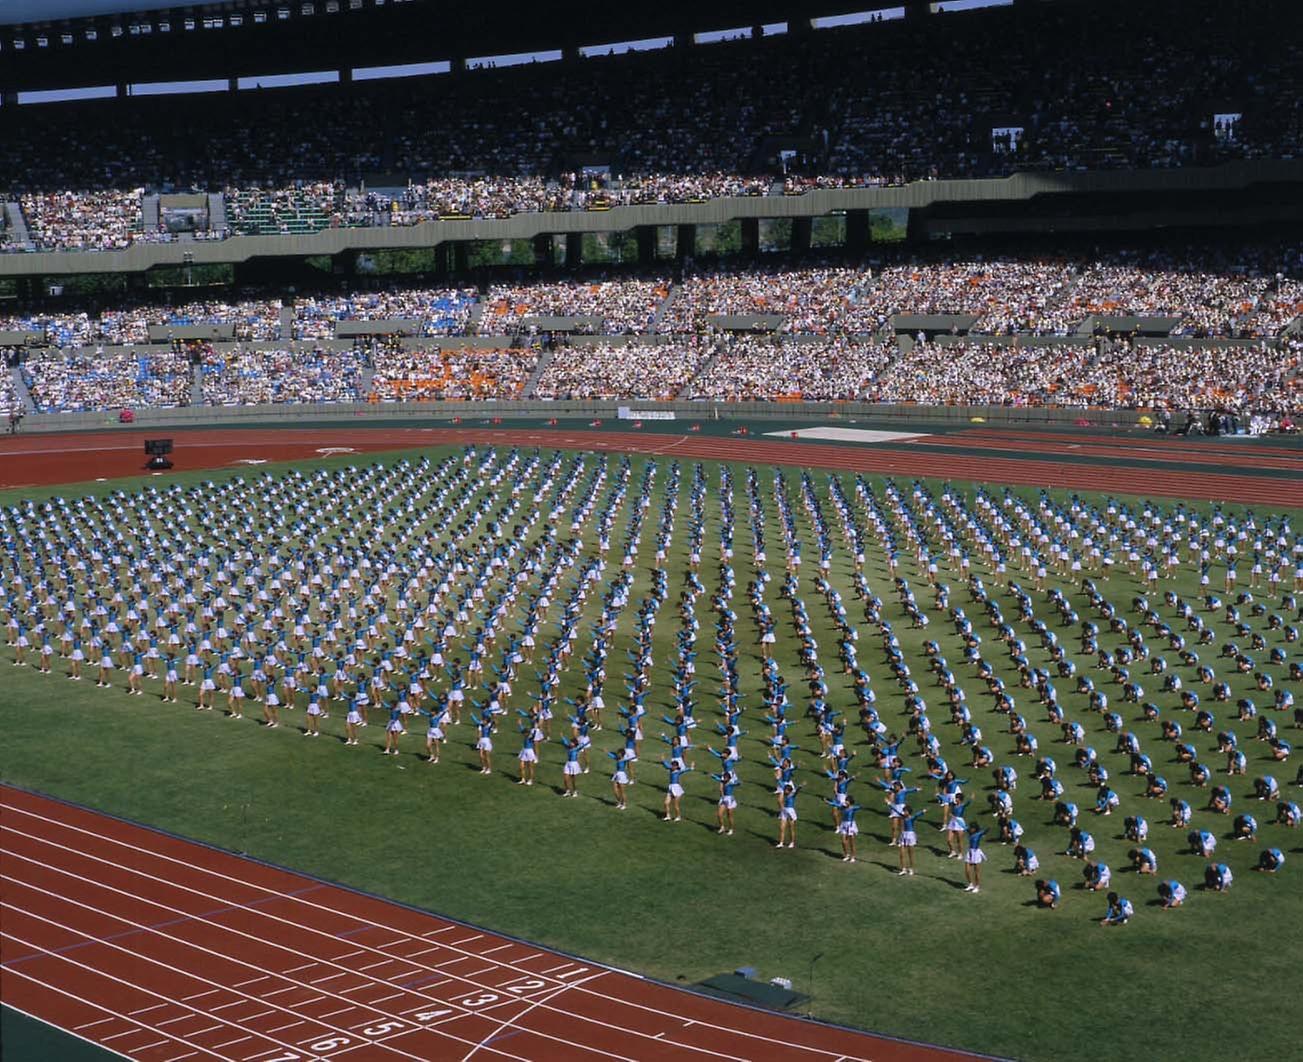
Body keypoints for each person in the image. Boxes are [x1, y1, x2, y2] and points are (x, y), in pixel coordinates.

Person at [662, 757, 693, 821]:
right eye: (672, 765)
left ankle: (678, 817)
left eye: (674, 766)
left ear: (676, 766)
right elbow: (666, 765)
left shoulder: (678, 771)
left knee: (676, 805)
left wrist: (691, 767)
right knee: (666, 803)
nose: (672, 767)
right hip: (670, 787)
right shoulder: (670, 769)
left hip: (676, 788)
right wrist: (663, 760)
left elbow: (685, 770)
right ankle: (668, 816)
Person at [896, 805, 924, 874]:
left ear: (909, 812)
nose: (904, 812)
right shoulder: (903, 817)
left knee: (910, 854)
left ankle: (911, 868)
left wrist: (922, 812)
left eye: (905, 811)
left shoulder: (912, 818)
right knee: (901, 854)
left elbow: (917, 815)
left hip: (910, 835)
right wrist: (889, 804)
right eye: (904, 811)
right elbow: (896, 811)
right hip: (903, 835)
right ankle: (903, 869)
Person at [963, 822, 988, 893]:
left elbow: (986, 830)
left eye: (972, 828)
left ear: (975, 829)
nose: (971, 829)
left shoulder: (979, 834)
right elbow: (963, 825)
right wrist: (954, 818)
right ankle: (971, 884)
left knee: (976, 871)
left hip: (976, 853)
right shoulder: (969, 832)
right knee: (967, 870)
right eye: (970, 828)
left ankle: (977, 886)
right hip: (969, 852)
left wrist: (985, 832)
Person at [714, 766, 739, 834]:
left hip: (730, 799)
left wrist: (736, 781)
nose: (724, 779)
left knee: (729, 815)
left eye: (726, 778)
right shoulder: (722, 782)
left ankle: (731, 829)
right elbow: (716, 778)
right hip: (724, 799)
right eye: (724, 777)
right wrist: (712, 775)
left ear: (729, 778)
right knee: (719, 814)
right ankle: (722, 827)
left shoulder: (731, 783)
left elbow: (738, 783)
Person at [776, 781, 801, 849]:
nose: (784, 791)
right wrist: (778, 780)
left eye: (786, 790)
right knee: (782, 828)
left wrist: (800, 786)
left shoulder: (792, 795)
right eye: (784, 790)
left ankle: (792, 842)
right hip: (784, 810)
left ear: (789, 791)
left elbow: (796, 791)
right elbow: (782, 785)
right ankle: (781, 843)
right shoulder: (786, 793)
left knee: (791, 828)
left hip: (790, 811)